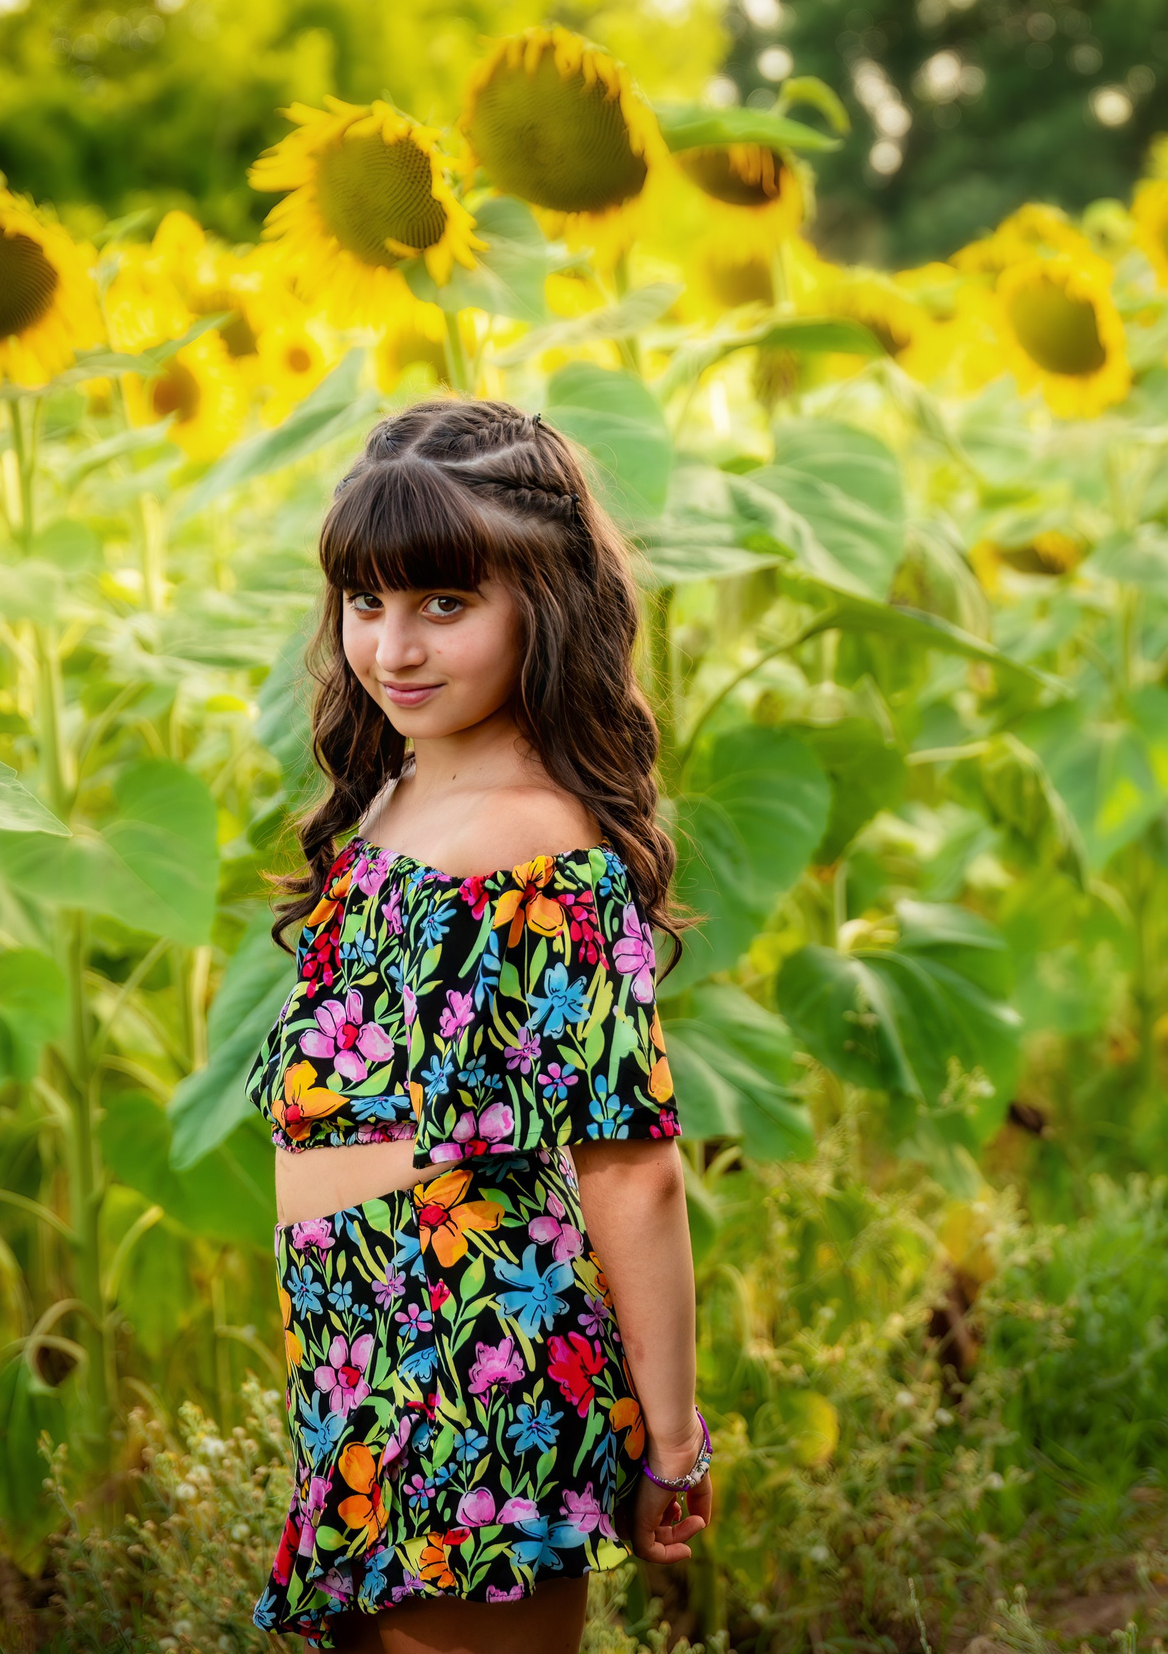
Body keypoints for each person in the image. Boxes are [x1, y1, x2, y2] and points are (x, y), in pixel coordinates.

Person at [245, 399, 712, 1654]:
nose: (391, 646)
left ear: (542, 605)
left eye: (444, 603)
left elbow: (631, 1164)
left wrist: (672, 1438)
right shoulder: (402, 789)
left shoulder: (535, 840)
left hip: (472, 1344)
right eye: (366, 600)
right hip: (368, 1341)